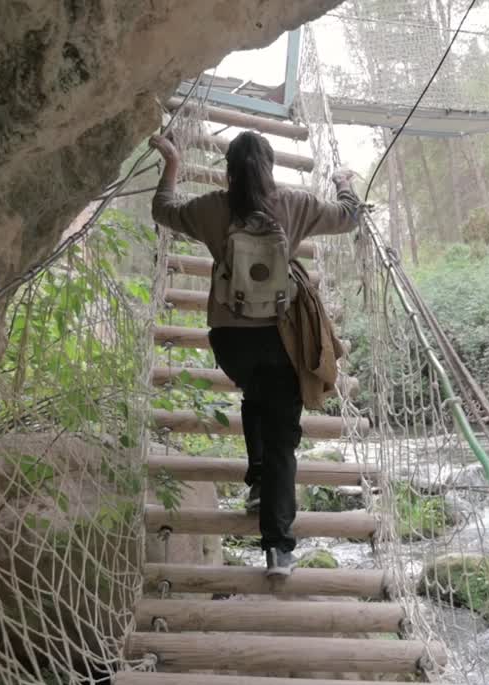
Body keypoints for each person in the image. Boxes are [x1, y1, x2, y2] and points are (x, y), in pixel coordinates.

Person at [149, 129, 359, 576]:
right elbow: (348, 217)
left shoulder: (210, 207)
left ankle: (259, 483)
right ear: (270, 167)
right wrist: (343, 181)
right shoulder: (294, 204)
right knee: (283, 438)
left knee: (254, 398)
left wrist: (171, 163)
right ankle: (278, 548)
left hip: (230, 340)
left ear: (228, 169)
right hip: (283, 338)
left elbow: (162, 210)